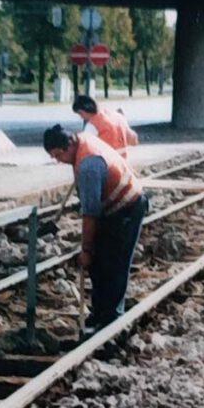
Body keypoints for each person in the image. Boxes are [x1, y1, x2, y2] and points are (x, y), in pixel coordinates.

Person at [43, 124, 148, 332]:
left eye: (57, 155)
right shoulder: (81, 140)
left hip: (128, 208)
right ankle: (99, 312)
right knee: (99, 263)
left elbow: (90, 214)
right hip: (112, 207)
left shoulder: (89, 166)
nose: (57, 160)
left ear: (69, 146)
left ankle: (112, 321)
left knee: (115, 264)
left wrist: (87, 250)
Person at [72, 94, 139, 158]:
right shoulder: (117, 116)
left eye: (80, 114)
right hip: (123, 161)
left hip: (106, 163)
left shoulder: (91, 126)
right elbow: (133, 140)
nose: (81, 117)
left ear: (84, 110)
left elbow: (84, 149)